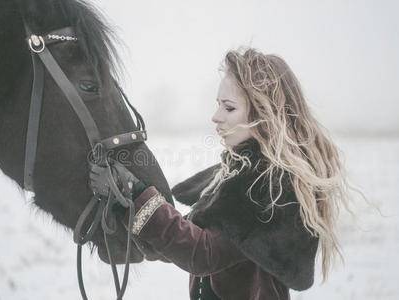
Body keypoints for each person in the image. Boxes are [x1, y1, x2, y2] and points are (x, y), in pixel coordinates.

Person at [95, 48, 352, 299]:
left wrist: (138, 194)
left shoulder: (271, 186)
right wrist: (126, 204)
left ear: (265, 115)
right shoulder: (239, 174)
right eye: (218, 105)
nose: (215, 117)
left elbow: (200, 254)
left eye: (229, 108)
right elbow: (179, 241)